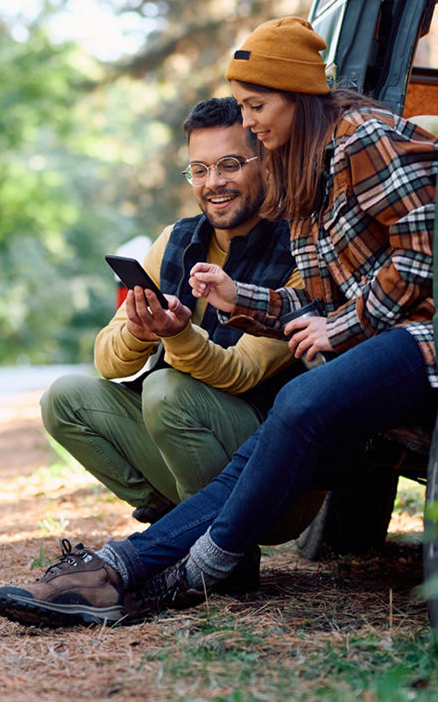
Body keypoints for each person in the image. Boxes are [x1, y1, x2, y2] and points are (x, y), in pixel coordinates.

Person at [0, 16, 438, 628]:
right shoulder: (302, 177)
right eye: (200, 168)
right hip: (377, 344)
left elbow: (426, 252)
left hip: (426, 336)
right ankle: (133, 568)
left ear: (298, 97)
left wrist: (342, 326)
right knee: (259, 435)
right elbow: (307, 304)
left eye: (257, 106)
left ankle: (153, 572)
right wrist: (240, 298)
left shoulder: (362, 135)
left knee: (294, 403)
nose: (251, 120)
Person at [43, 97, 303, 526]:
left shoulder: (298, 247)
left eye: (230, 164)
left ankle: (219, 545)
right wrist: (141, 332)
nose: (213, 182)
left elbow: (242, 373)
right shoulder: (175, 240)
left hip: (269, 463)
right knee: (64, 398)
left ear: (266, 162)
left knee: (166, 389)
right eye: (199, 170)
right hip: (182, 439)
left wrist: (178, 335)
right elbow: (106, 359)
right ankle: (178, 524)